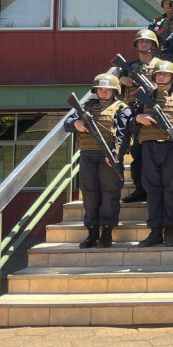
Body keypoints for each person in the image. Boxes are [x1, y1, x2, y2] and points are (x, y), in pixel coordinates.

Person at [131, 60, 173, 247]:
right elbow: (130, 124)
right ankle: (154, 231)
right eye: (158, 74)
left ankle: (170, 231)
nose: (161, 77)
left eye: (165, 74)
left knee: (172, 189)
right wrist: (138, 119)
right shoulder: (144, 97)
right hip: (150, 147)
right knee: (153, 190)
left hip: (172, 148)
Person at [66, 74, 131, 248]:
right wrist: (76, 123)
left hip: (108, 157)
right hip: (88, 155)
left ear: (114, 91)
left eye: (107, 89)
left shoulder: (121, 108)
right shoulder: (86, 107)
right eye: (100, 89)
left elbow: (124, 135)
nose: (103, 92)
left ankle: (107, 232)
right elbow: (67, 123)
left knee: (110, 195)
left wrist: (116, 156)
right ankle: (92, 232)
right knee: (89, 194)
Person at [120, 29, 165, 204]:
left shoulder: (162, 65)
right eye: (141, 42)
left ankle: (156, 188)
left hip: (156, 110)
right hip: (134, 110)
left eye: (148, 41)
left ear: (154, 45)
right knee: (137, 151)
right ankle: (140, 188)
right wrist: (121, 80)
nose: (144, 44)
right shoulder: (128, 67)